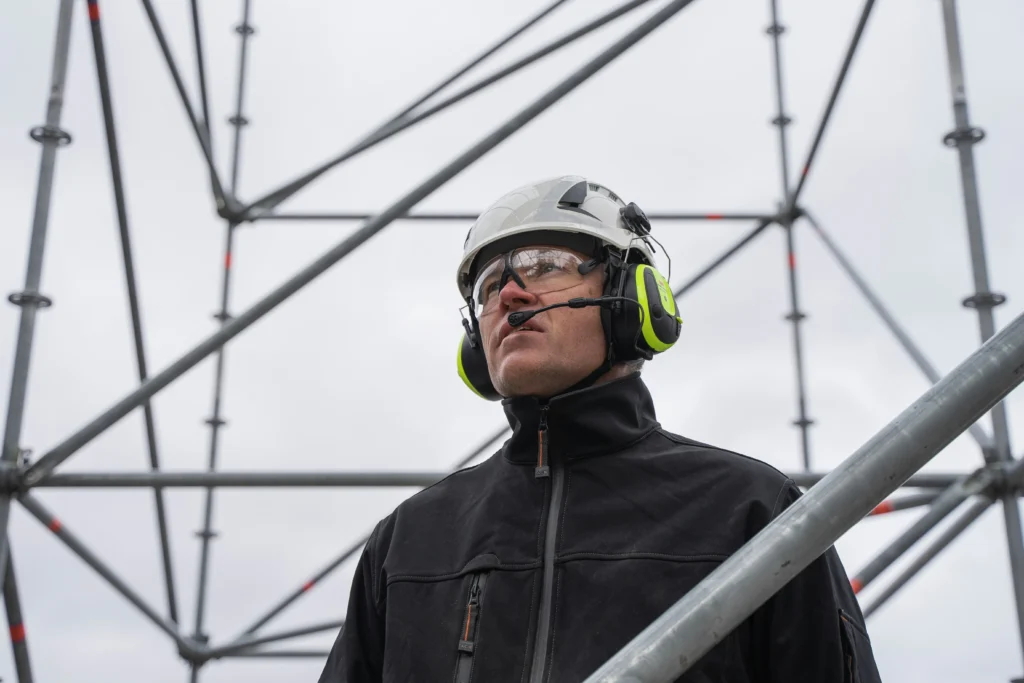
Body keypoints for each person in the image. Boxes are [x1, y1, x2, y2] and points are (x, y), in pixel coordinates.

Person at [318, 176, 882, 682]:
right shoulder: (407, 542)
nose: (509, 294)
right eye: (488, 285)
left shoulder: (754, 513)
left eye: (545, 265)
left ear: (631, 300)